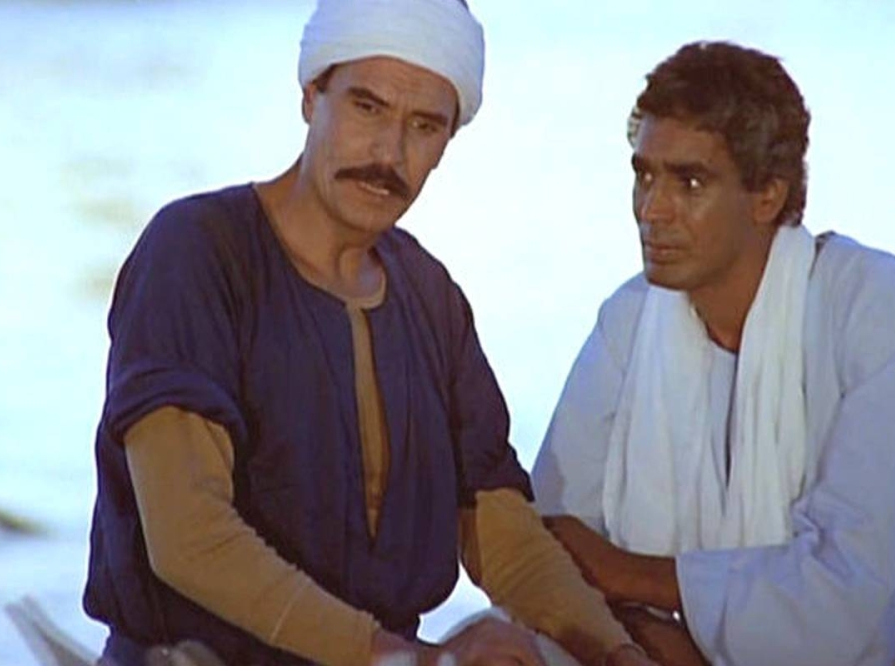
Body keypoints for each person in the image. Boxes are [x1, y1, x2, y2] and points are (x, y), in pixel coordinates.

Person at [81, 1, 657, 665]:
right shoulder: (197, 252)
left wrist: (616, 654)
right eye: (366, 107)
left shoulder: (429, 295)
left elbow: (504, 535)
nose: (388, 153)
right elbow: (189, 538)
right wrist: (402, 656)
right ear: (311, 96)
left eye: (424, 126)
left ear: (448, 141)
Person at [531, 40, 895, 666]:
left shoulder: (875, 304)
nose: (652, 210)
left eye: (690, 182)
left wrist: (633, 576)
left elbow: (855, 596)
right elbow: (554, 545)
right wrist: (650, 635)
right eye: (644, 175)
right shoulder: (631, 318)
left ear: (767, 196)